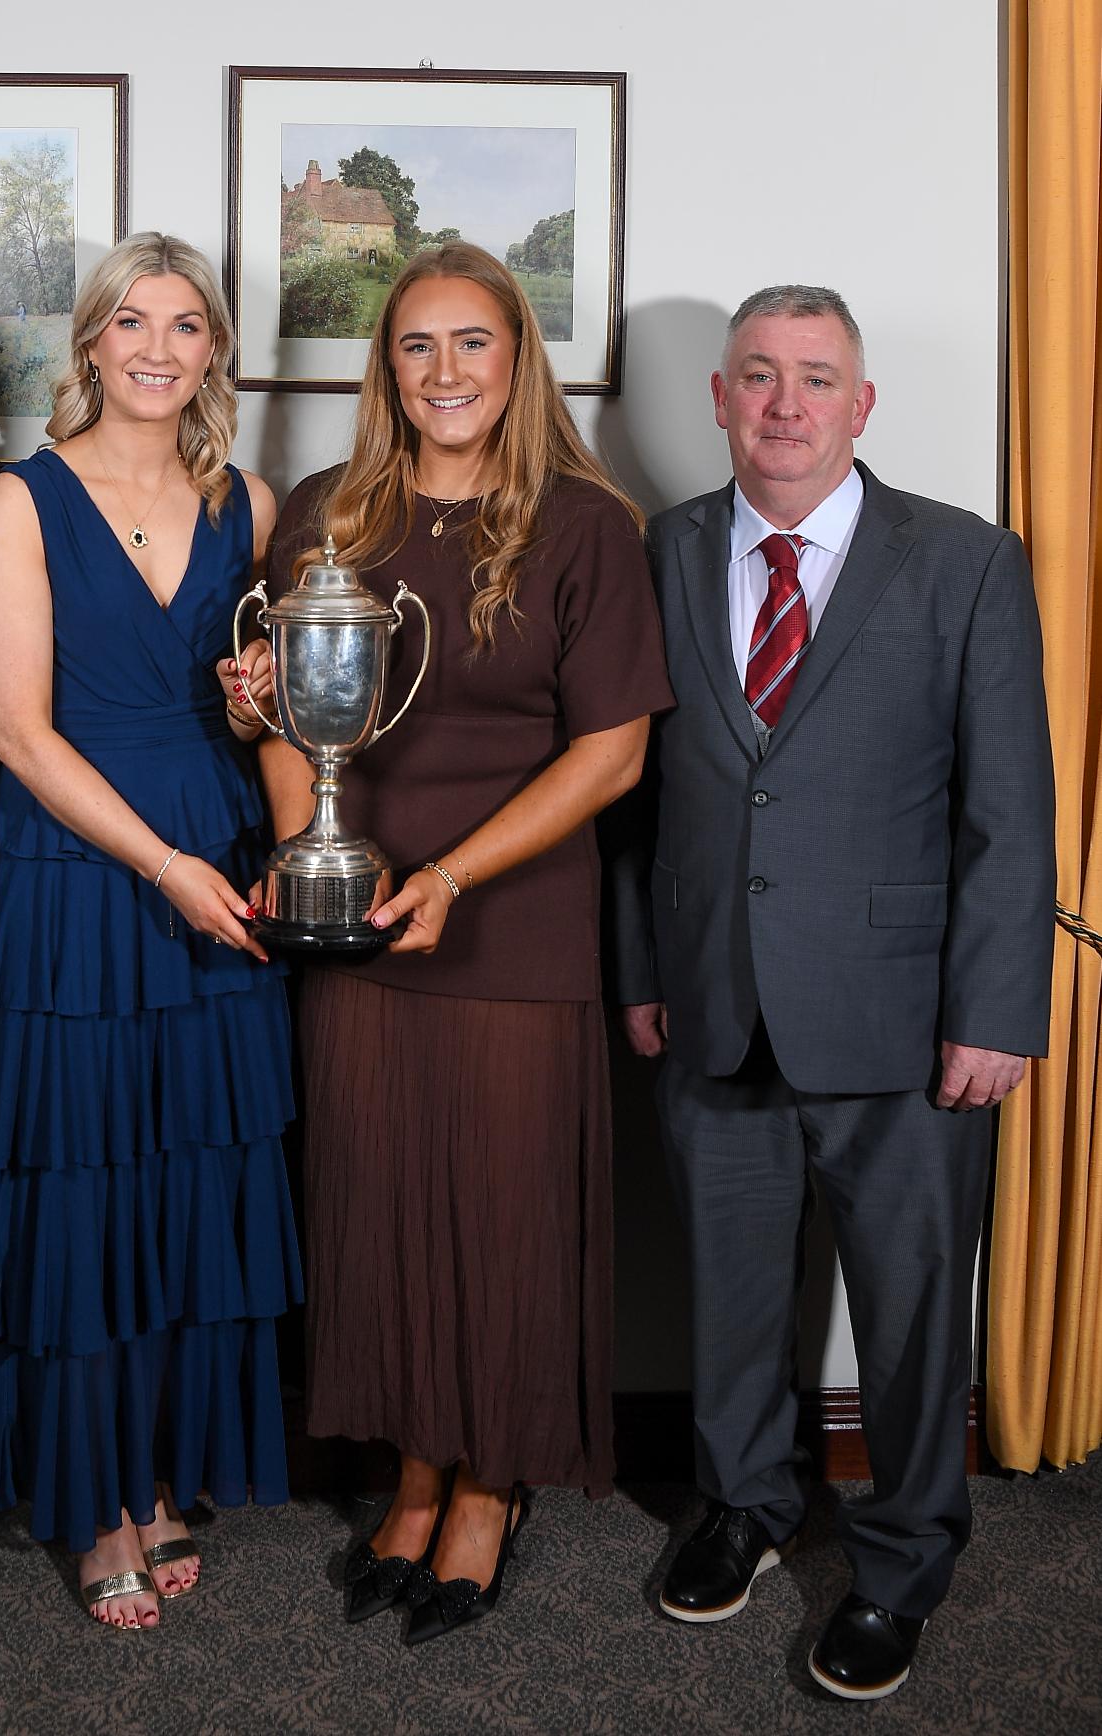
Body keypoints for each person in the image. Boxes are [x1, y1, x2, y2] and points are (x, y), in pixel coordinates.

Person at [604, 285, 1055, 1700]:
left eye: (815, 377)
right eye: (758, 375)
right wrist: (641, 972)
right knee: (730, 1294)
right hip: (712, 1004)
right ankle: (744, 1503)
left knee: (912, 1317)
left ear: (862, 405)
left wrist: (996, 1012)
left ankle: (904, 1559)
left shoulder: (967, 561)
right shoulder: (663, 553)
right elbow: (634, 801)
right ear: (720, 400)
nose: (785, 404)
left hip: (908, 1025)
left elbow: (1011, 812)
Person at [263, 241, 673, 1645]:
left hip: (512, 927)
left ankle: (491, 1484)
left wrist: (447, 874)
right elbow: (282, 718)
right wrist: (311, 865)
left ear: (517, 361)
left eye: (473, 342)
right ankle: (417, 1473)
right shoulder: (324, 514)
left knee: (502, 1225)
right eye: (416, 345)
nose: (444, 371)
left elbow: (614, 753)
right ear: (387, 367)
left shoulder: (585, 526)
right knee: (379, 1212)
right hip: (360, 933)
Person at [0, 232, 302, 1631]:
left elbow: (255, 712)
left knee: (190, 1176)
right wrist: (164, 867)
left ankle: (158, 1475)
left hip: (223, 861)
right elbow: (19, 733)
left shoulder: (248, 503)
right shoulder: (21, 501)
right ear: (91, 341)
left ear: (214, 349)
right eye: (132, 322)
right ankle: (94, 1500)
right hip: (90, 876)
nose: (159, 348)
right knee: (87, 1185)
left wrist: (259, 697)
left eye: (186, 324)